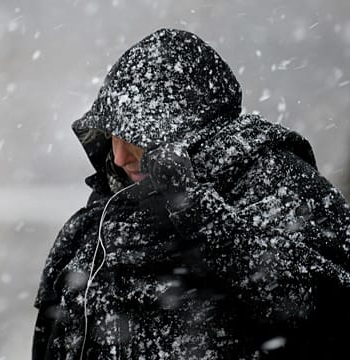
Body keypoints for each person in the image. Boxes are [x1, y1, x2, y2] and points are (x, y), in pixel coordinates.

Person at [32, 28, 350, 359]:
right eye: (113, 135)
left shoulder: (272, 180)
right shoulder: (95, 222)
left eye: (136, 137)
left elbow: (323, 309)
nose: (120, 157)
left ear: (192, 132)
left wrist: (197, 211)